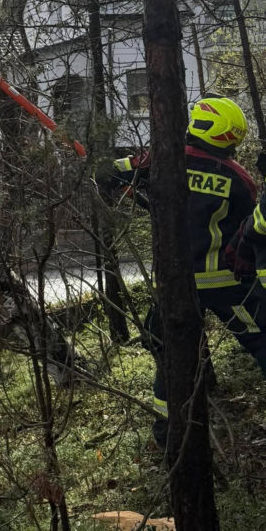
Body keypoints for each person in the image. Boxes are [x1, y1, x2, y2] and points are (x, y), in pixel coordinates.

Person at [113, 96, 266, 446]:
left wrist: (117, 173)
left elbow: (112, 171)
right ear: (225, 136)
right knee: (262, 342)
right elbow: (250, 231)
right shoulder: (239, 178)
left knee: (168, 353)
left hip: (175, 286)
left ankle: (169, 435)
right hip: (229, 285)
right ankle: (201, 386)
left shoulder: (160, 161)